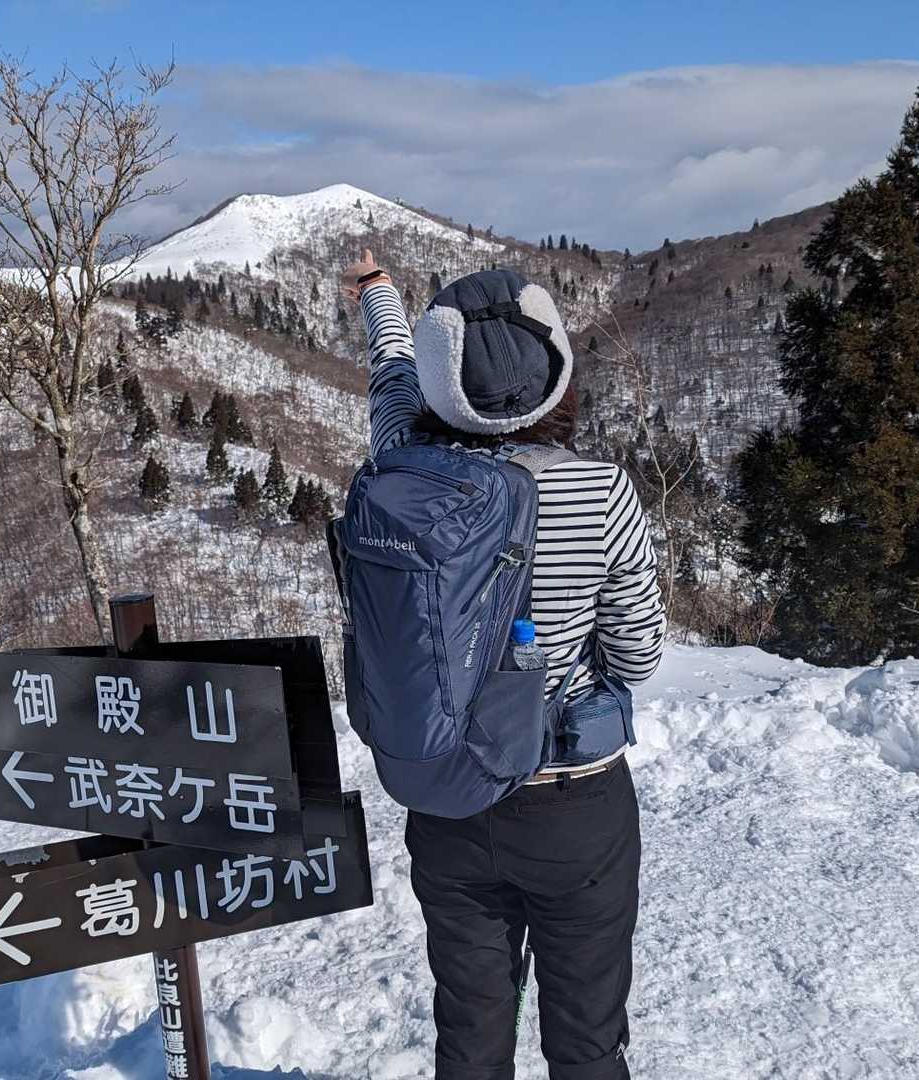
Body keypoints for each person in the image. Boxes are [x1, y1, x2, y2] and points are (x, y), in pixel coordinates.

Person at [340, 248, 666, 1079]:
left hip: (448, 795)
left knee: (472, 1032)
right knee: (587, 1039)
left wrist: (378, 293)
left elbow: (392, 373)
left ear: (440, 387)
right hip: (573, 805)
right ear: (557, 378)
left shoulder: (403, 465)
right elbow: (638, 653)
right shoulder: (601, 492)